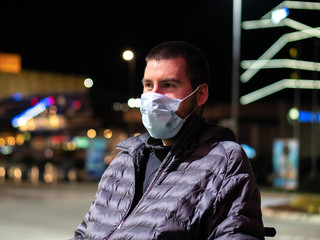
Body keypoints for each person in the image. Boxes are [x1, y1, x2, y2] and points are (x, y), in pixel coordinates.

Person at [71, 41, 264, 239]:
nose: (154, 96)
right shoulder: (123, 161)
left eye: (168, 85)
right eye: (148, 85)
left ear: (200, 94)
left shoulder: (224, 161)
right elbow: (84, 232)